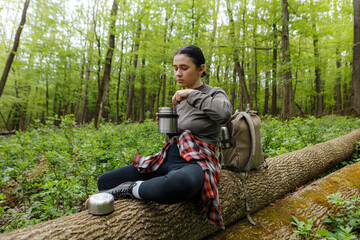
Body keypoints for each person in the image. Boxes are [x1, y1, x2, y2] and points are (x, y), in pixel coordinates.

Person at [95, 45, 232, 229]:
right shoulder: (178, 101)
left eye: (184, 68)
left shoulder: (213, 93)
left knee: (180, 183)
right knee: (105, 181)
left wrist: (192, 94)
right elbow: (177, 140)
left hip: (198, 162)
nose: (178, 73)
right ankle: (145, 187)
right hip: (170, 158)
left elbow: (224, 114)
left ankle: (132, 189)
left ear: (201, 69)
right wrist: (170, 128)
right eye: (175, 68)